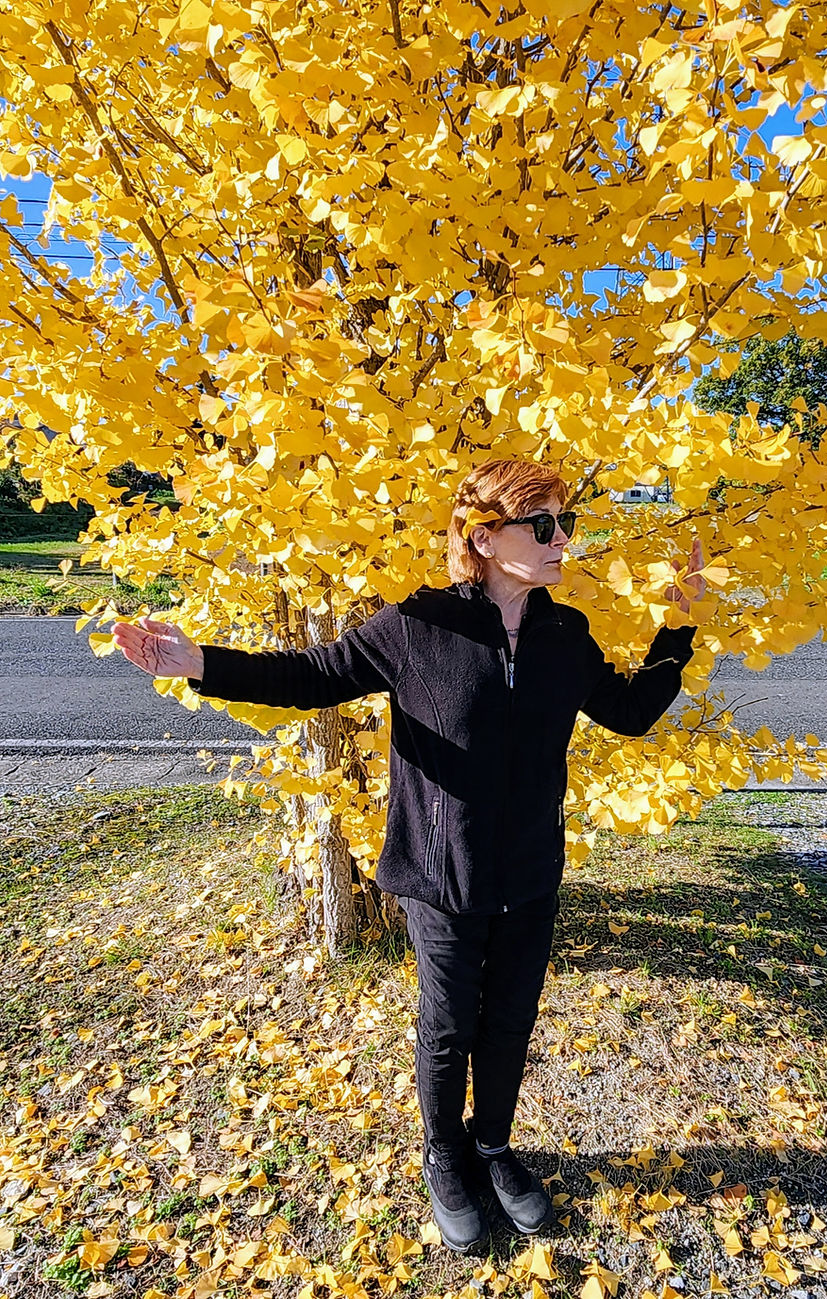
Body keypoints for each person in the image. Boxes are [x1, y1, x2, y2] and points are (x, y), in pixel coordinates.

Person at [111, 458, 703, 1254]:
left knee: (511, 1021)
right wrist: (200, 664)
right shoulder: (419, 627)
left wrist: (679, 627)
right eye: (544, 525)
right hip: (440, 876)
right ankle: (443, 1150)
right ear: (485, 537)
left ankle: (493, 1146)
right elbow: (311, 676)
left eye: (567, 522)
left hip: (529, 875)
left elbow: (630, 711)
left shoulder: (566, 636)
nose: (563, 539)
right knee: (450, 1022)